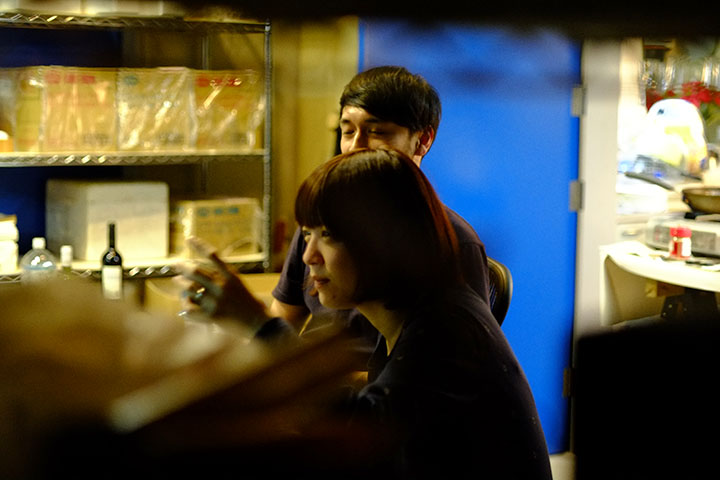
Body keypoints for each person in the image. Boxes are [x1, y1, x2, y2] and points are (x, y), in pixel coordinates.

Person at [181, 148, 551, 479]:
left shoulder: (445, 329)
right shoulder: (411, 316)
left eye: (329, 234)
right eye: (307, 234)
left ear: (383, 240)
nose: (309, 255)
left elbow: (365, 435)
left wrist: (257, 323)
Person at [270, 66, 491, 335]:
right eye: (348, 132)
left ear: (423, 140)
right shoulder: (320, 219)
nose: (355, 147)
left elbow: (453, 353)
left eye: (376, 132)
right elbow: (285, 312)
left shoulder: (452, 241)